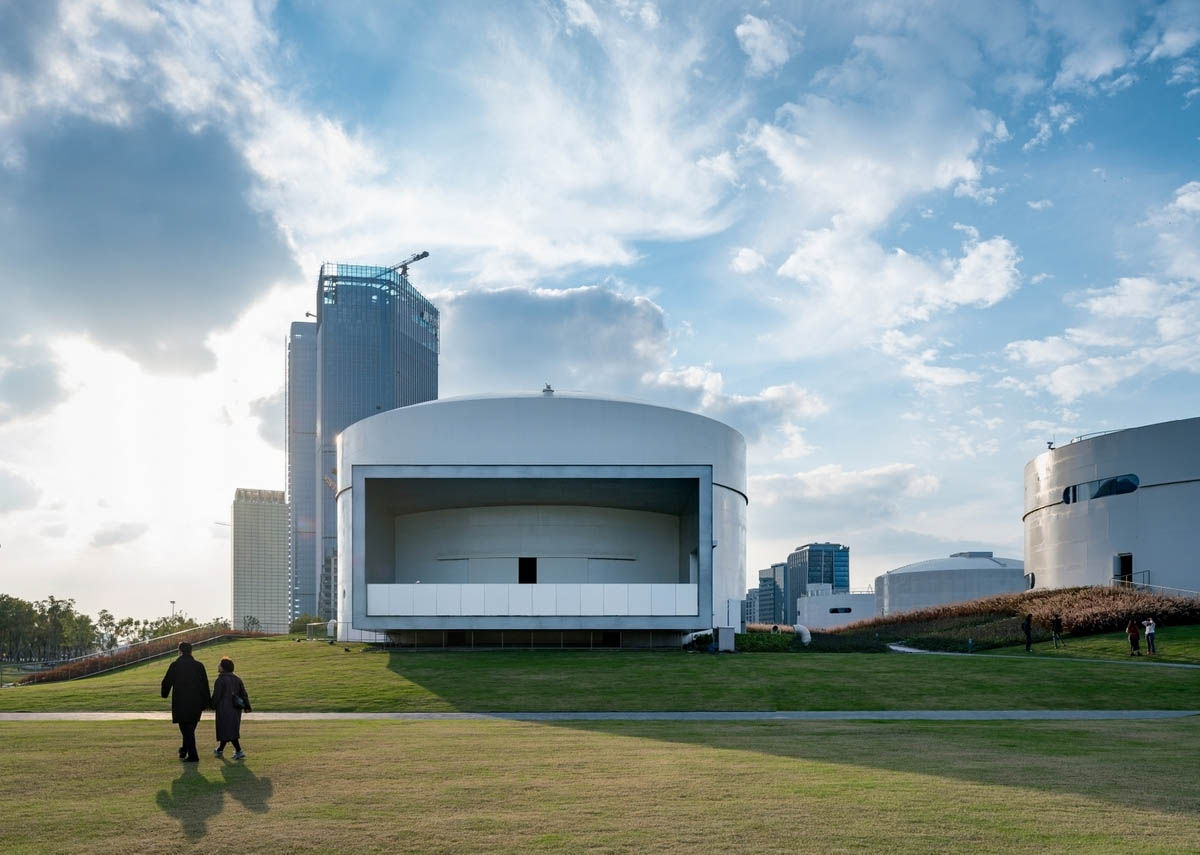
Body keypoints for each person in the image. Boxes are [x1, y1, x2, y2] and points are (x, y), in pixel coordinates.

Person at [160, 641, 211, 762]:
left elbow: (166, 682)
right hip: (196, 703)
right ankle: (184, 749)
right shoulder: (199, 666)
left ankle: (193, 755)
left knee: (186, 729)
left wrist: (164, 694)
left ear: (180, 651)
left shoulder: (175, 665)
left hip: (181, 702)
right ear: (191, 651)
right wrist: (207, 702)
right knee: (190, 729)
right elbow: (205, 685)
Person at [212, 656, 251, 760]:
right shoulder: (237, 679)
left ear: (223, 667)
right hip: (236, 708)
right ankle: (220, 749)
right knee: (231, 728)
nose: (218, 666)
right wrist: (247, 706)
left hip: (224, 708)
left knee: (227, 729)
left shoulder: (220, 680)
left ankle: (238, 751)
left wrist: (212, 705)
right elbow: (244, 694)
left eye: (219, 664)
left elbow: (217, 695)